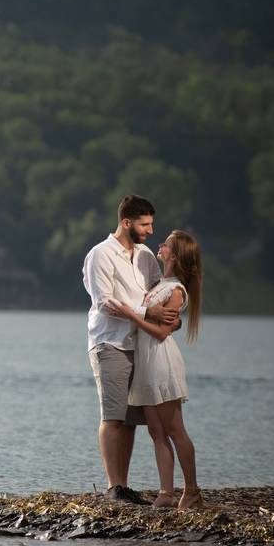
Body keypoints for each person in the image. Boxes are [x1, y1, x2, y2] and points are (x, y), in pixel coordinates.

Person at [83, 195, 179, 504]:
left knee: (130, 418)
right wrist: (148, 313)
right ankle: (115, 488)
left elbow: (156, 294)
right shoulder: (100, 254)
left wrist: (170, 316)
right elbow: (104, 302)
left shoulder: (146, 255)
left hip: (141, 344)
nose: (150, 230)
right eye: (145, 224)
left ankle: (123, 486)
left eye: (151, 224)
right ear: (127, 222)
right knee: (113, 415)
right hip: (109, 342)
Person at [108, 230, 203, 510]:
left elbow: (161, 333)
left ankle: (193, 490)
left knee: (175, 429)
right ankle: (166, 492)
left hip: (161, 360)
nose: (160, 246)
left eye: (166, 245)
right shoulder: (160, 284)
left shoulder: (175, 290)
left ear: (173, 255)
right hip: (146, 362)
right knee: (156, 432)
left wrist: (130, 314)